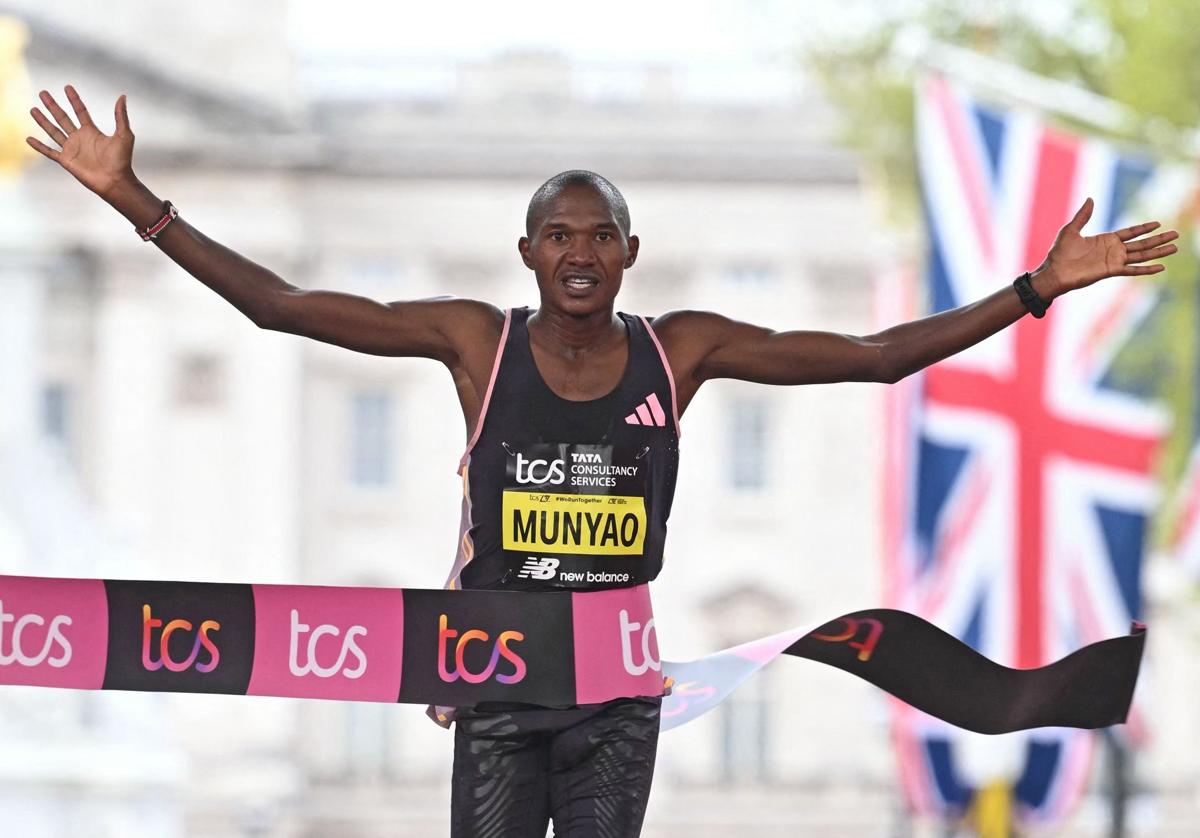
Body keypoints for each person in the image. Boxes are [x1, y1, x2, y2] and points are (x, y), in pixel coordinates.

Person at [27, 85, 1178, 838]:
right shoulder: (476, 340)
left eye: (600, 236)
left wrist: (1034, 290)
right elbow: (282, 307)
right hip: (488, 682)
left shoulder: (681, 352)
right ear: (527, 253)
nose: (580, 253)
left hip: (613, 695)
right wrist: (133, 196)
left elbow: (876, 356)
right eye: (559, 236)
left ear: (632, 253)